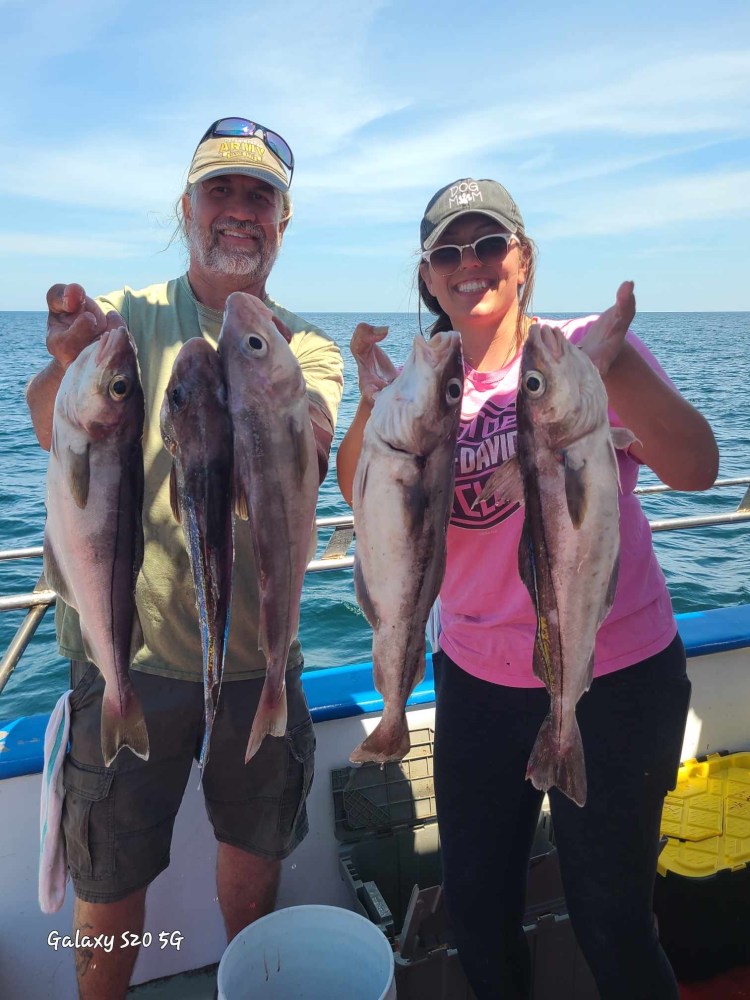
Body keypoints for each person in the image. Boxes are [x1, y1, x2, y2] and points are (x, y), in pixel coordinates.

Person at [337, 177, 719, 1000]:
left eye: (489, 245)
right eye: (448, 252)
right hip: (476, 683)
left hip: (616, 679)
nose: (469, 264)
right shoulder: (425, 377)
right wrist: (372, 397)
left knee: (613, 918)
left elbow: (697, 468)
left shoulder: (575, 355)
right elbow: (353, 489)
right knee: (475, 911)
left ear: (524, 259)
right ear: (429, 276)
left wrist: (616, 371)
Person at [26, 116, 344, 1000]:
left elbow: (311, 431)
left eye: (260, 198)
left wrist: (306, 428)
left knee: (255, 868)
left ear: (284, 220)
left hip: (256, 664)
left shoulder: (301, 344)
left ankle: (246, 984)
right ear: (187, 206)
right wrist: (69, 361)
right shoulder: (124, 319)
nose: (240, 213)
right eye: (222, 191)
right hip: (127, 655)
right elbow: (48, 420)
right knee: (111, 885)